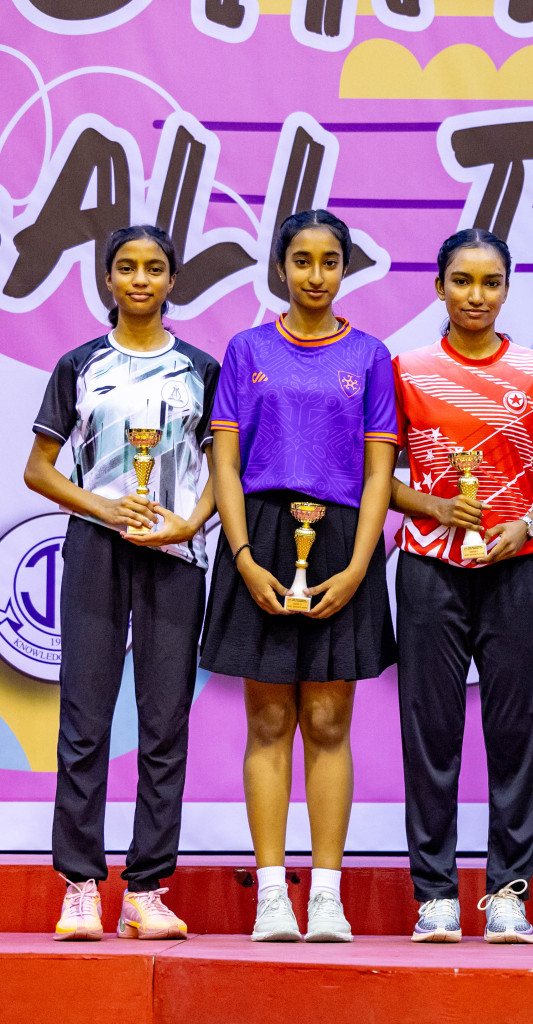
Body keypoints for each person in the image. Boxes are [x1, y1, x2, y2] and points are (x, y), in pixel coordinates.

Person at [200, 209, 398, 943]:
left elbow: (380, 470)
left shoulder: (372, 355)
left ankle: (326, 896)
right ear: (280, 266)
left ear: (346, 269)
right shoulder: (245, 347)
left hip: (343, 535)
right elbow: (225, 460)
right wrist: (245, 555)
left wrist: (355, 566)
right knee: (271, 719)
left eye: (330, 262)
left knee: (327, 720)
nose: (316, 275)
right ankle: (272, 894)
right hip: (261, 533)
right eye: (302, 261)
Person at [26, 226, 219, 941]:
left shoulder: (201, 368)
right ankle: (80, 883)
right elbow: (38, 470)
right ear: (108, 278)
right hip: (95, 550)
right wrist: (103, 506)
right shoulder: (80, 364)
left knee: (165, 722)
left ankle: (146, 888)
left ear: (174, 280)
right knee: (84, 718)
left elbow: (221, 475)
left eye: (155, 268)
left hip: (175, 558)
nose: (141, 279)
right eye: (127, 268)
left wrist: (189, 525)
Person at [391, 228, 533, 944]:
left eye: (490, 282)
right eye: (461, 281)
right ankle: (434, 893)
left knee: (518, 734)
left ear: (506, 288)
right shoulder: (406, 369)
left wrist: (524, 522)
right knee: (430, 734)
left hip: (516, 569)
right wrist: (436, 508)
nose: (476, 295)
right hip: (429, 568)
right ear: (439, 286)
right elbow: (381, 481)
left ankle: (508, 894)